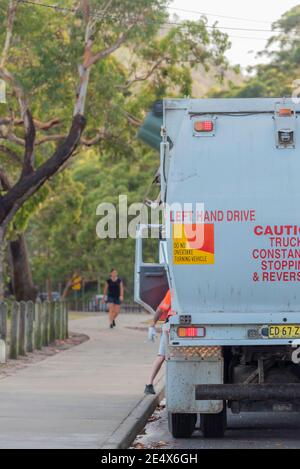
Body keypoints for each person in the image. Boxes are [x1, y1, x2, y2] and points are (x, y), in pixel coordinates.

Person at [144, 289, 174, 395]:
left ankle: (149, 384)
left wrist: (153, 324)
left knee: (161, 356)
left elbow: (161, 308)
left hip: (172, 325)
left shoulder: (173, 289)